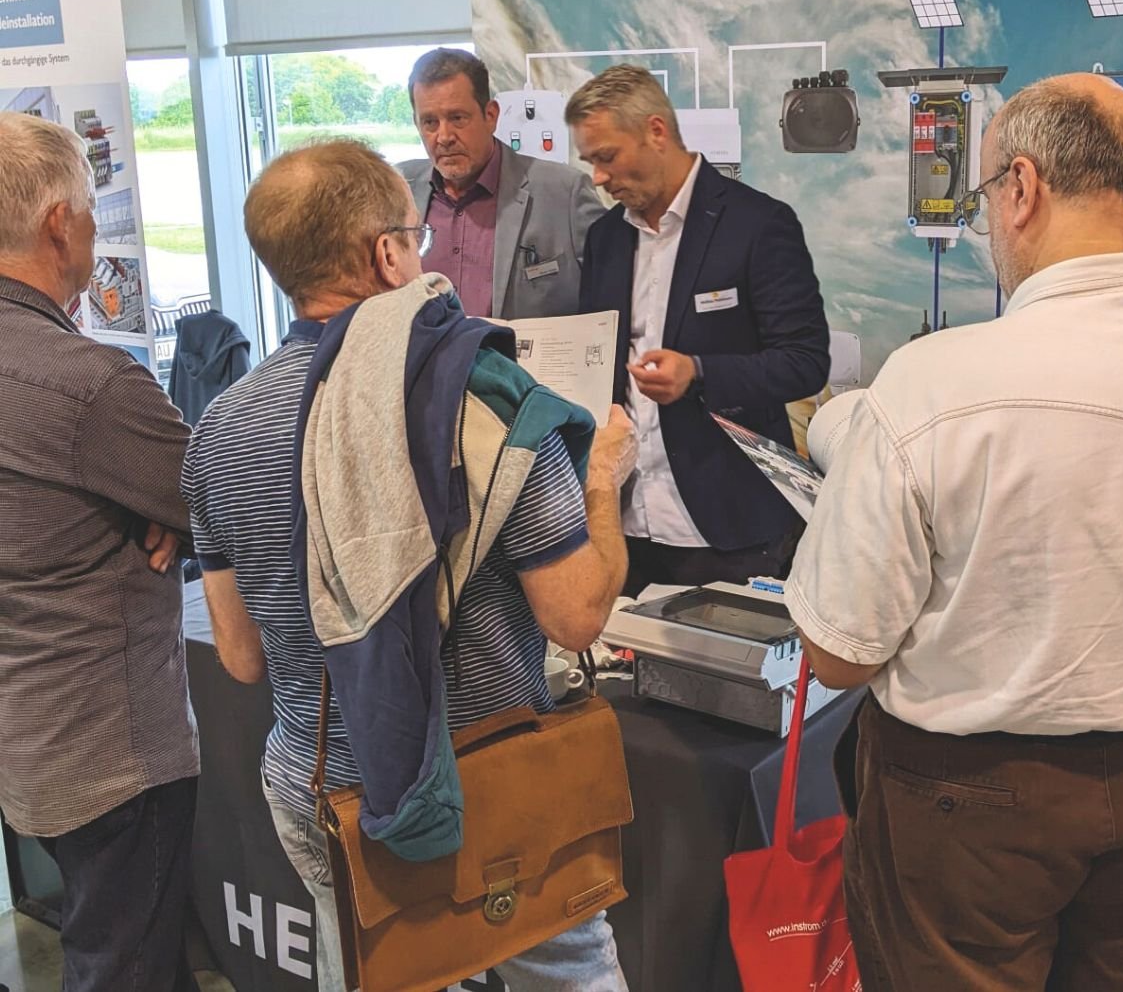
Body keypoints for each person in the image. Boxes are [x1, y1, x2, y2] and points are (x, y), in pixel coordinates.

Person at [785, 73, 1123, 992]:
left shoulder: (931, 382)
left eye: (987, 193)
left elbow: (838, 656)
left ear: (1021, 188)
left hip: (974, 806)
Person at [181, 139, 636, 991]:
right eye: (413, 239)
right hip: (488, 774)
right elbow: (576, 618)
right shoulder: (486, 396)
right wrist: (602, 477)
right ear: (385, 255)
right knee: (568, 972)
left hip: (322, 790)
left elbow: (241, 658)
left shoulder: (219, 431)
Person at [0, 111, 200, 991]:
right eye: (88, 209)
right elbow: (224, 494)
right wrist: (186, 513)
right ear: (57, 224)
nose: (91, 226)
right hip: (112, 754)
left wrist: (175, 508)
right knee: (127, 967)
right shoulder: (93, 387)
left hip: (31, 744)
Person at [566, 64, 830, 595]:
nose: (597, 177)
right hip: (620, 528)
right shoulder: (605, 239)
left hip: (728, 526)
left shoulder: (758, 225)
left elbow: (805, 361)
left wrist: (700, 373)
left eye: (606, 156)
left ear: (656, 132)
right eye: (589, 161)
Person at [399, 47, 607, 319]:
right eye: (430, 122)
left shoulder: (564, 193)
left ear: (491, 116)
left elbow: (610, 300)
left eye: (457, 118)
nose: (444, 136)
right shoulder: (397, 191)